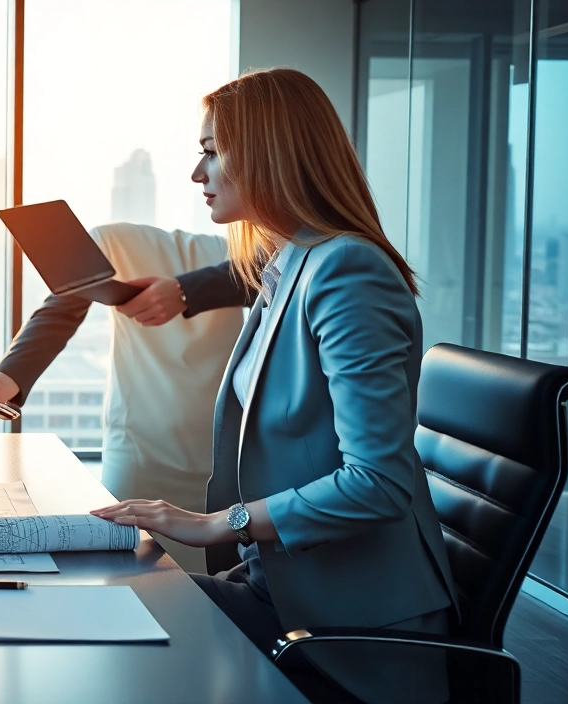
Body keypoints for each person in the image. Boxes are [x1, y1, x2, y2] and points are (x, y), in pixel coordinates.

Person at [91, 69, 457, 703]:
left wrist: (217, 524)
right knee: (107, 609)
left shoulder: (347, 270)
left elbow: (380, 482)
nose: (197, 173)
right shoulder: (287, 264)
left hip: (346, 625)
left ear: (268, 154)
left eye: (211, 151)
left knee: (116, 645)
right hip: (283, 587)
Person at [0, 224, 246, 573]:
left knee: (212, 591)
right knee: (131, 579)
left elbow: (256, 274)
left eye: (216, 163)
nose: (199, 173)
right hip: (139, 452)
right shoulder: (111, 241)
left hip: (225, 463)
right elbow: (60, 312)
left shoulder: (273, 253)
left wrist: (185, 291)